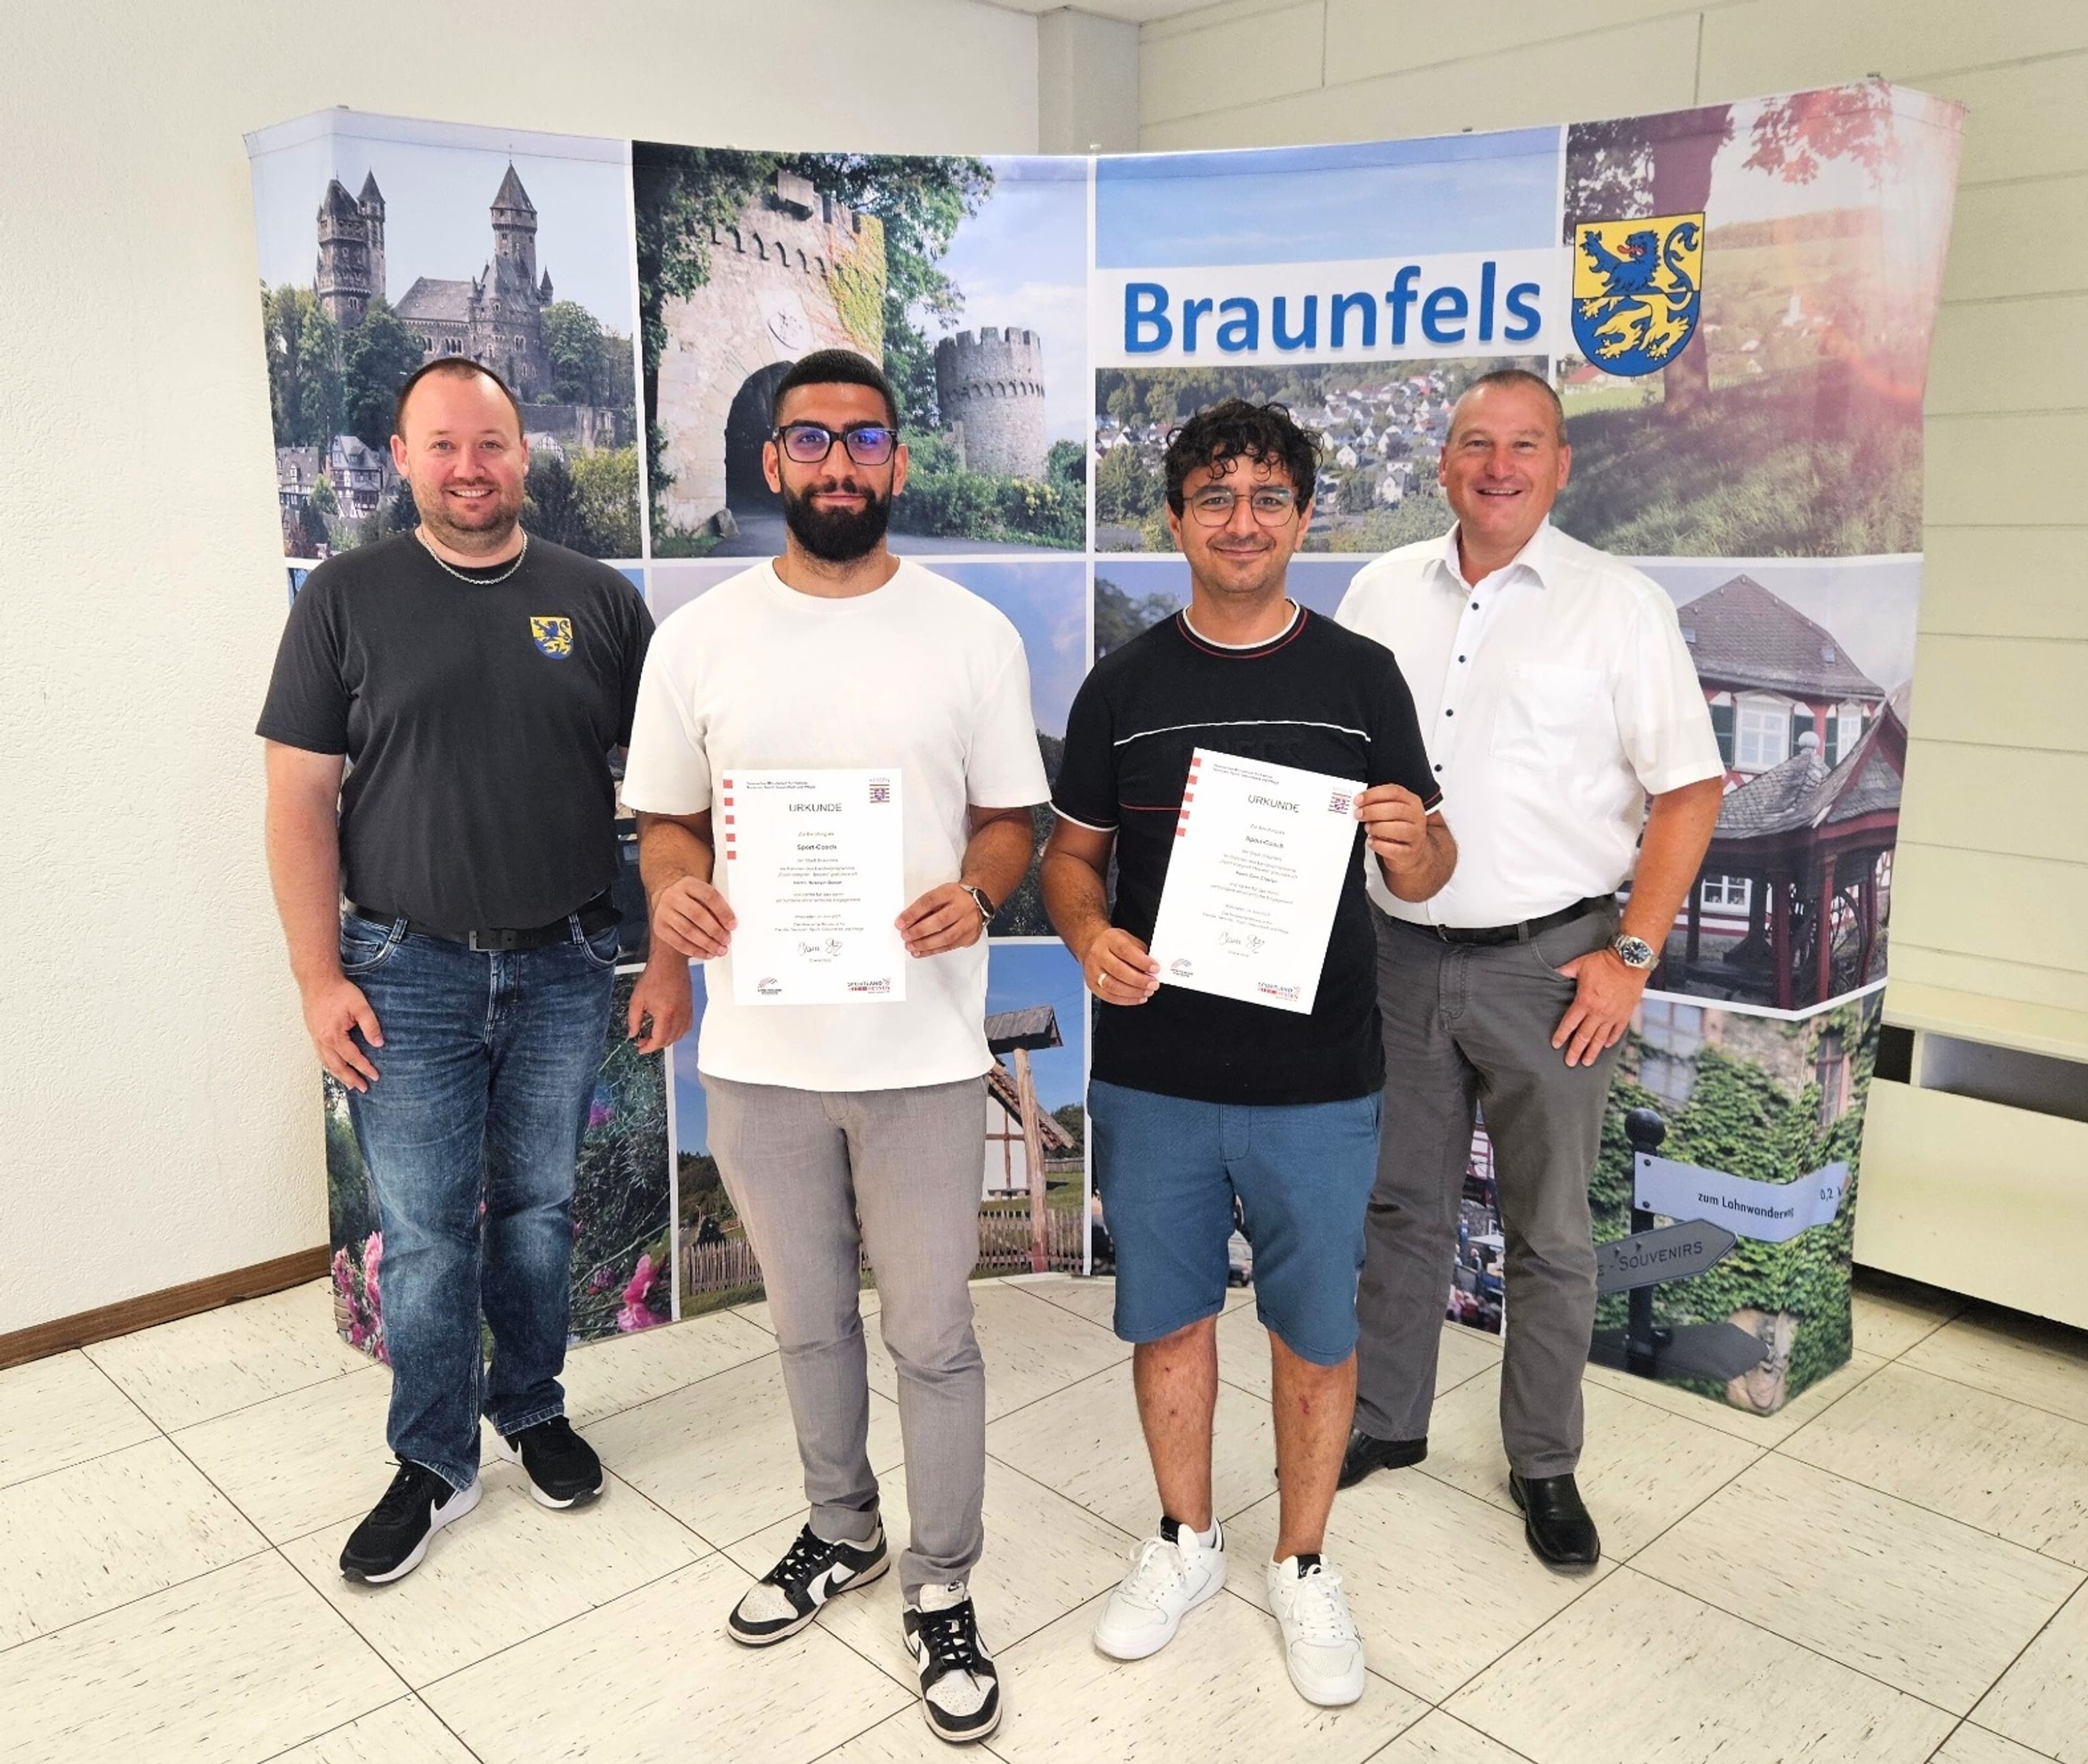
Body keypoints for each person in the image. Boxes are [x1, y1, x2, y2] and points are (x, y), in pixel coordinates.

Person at [620, 349, 1046, 1746]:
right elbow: (668, 819)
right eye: (812, 441)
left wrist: (980, 889)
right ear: (773, 463)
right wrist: (674, 901)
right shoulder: (702, 638)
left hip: (920, 1051)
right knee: (806, 1323)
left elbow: (1009, 817)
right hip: (759, 1049)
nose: (840, 465)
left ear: (900, 461)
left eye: (865, 439)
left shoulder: (970, 633)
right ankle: (839, 1531)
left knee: (930, 1335)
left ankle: (942, 1582)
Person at [1042, 400, 1455, 1706]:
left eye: (1267, 495)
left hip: (1319, 1078)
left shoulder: (1359, 677)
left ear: (1303, 518)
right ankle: (1185, 1541)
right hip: (1157, 1069)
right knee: (1166, 1318)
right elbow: (1069, 857)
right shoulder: (1125, 683)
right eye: (1214, 495)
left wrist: (1412, 843)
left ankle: (1304, 1558)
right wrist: (1089, 932)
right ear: (1174, 518)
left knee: (1314, 1330)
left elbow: (1433, 862)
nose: (1241, 519)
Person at [258, 358, 688, 1585]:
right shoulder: (344, 597)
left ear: (524, 454)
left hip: (566, 964)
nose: (470, 468)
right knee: (430, 1229)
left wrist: (666, 955)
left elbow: (670, 800)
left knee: (541, 1209)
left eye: (491, 444)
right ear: (401, 457)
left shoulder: (597, 601)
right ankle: (434, 1459)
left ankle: (535, 1406)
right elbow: (297, 798)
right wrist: (314, 976)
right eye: (442, 445)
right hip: (403, 968)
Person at [1334, 367, 1725, 1569]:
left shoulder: (1620, 604)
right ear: (1442, 460)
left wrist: (1631, 957)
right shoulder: (1377, 587)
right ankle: (1389, 1419)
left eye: (1524, 445)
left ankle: (1543, 1461)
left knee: (1551, 1229)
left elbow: (1690, 788)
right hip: (1397, 954)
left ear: (1561, 466)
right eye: (1473, 442)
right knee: (1401, 1205)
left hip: (1554, 965)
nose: (1496, 465)